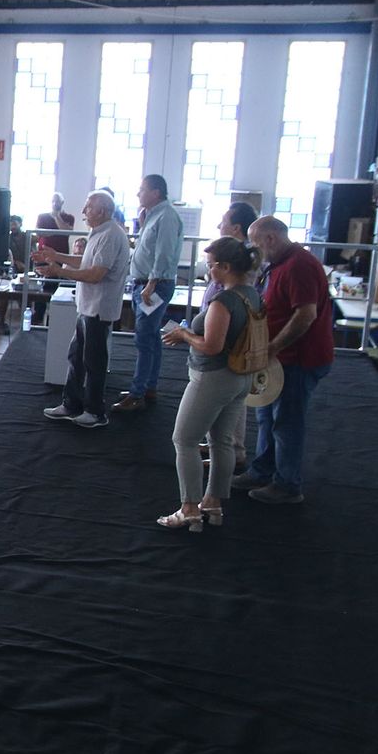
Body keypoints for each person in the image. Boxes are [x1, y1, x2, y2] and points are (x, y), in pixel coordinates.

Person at [156, 237, 263, 531]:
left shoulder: (223, 302)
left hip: (214, 376)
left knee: (185, 440)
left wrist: (184, 335)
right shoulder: (251, 294)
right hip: (240, 376)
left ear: (225, 267)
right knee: (222, 441)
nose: (208, 269)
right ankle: (213, 503)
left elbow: (212, 345)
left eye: (211, 264)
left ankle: (189, 508)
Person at [232, 216, 334, 505]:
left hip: (299, 358)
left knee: (287, 422)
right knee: (267, 416)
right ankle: (263, 471)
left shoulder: (299, 265)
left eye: (256, 244)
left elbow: (306, 315)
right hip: (281, 358)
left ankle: (288, 484)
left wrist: (272, 347)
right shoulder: (281, 264)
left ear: (270, 239)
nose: (254, 251)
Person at [37, 191, 132, 428]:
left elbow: (96, 274)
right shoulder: (99, 232)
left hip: (99, 308)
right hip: (87, 306)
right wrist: (57, 256)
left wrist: (59, 271)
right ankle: (71, 404)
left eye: (88, 207)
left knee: (93, 361)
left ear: (102, 211)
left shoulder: (111, 235)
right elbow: (86, 262)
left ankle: (95, 411)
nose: (83, 211)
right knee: (76, 356)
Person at [113, 174, 184, 413]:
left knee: (144, 338)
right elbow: (147, 249)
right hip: (144, 284)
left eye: (142, 189)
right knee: (151, 337)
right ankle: (148, 387)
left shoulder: (166, 216)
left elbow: (164, 253)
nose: (138, 193)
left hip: (153, 286)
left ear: (156, 192)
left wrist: (151, 284)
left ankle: (137, 393)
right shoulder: (152, 215)